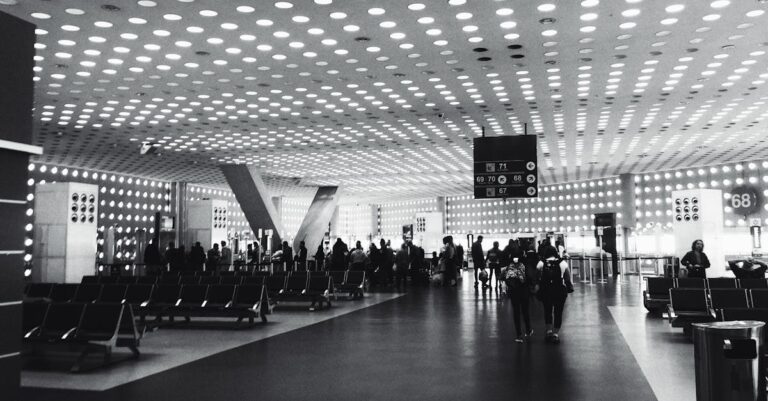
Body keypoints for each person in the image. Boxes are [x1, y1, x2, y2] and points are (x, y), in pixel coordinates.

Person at [537, 246, 574, 344]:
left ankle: (549, 331)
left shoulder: (541, 263)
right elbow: (567, 278)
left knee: (547, 311)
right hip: (559, 291)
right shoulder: (562, 263)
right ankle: (556, 334)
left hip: (546, 290)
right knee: (558, 312)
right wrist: (569, 287)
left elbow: (537, 276)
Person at [504, 256, 533, 343]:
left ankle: (519, 335)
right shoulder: (525, 266)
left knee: (516, 313)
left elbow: (505, 278)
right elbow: (530, 277)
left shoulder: (509, 266)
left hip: (514, 293)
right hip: (524, 292)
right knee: (525, 312)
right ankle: (528, 330)